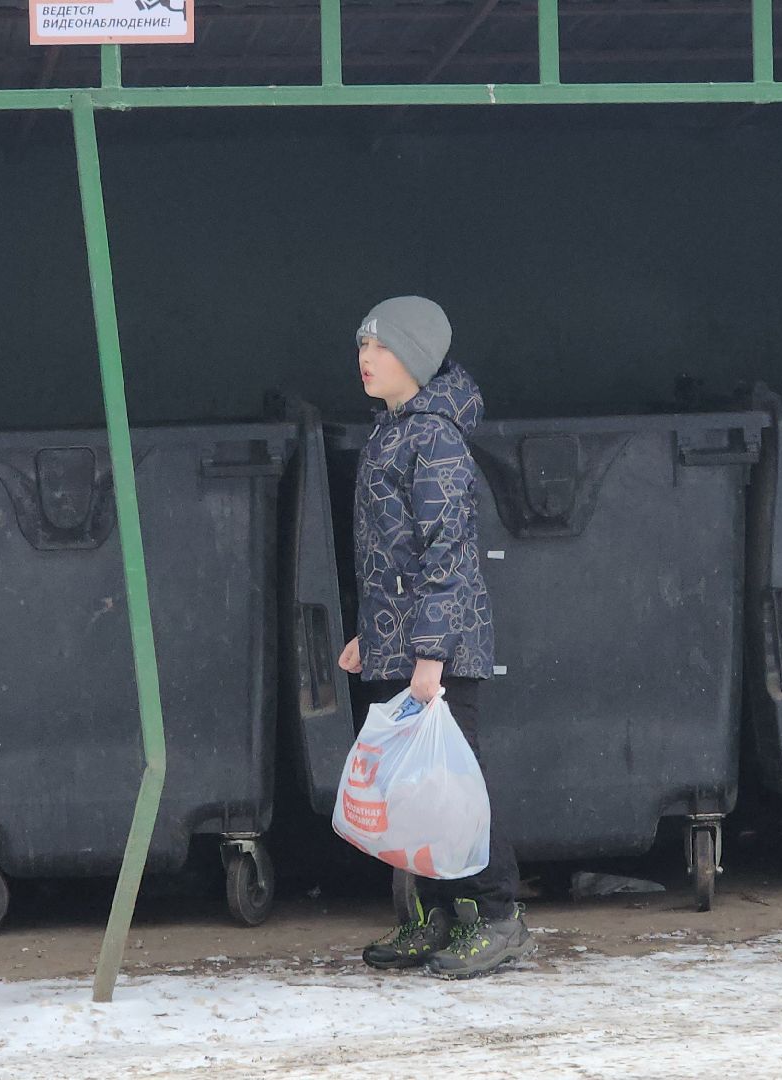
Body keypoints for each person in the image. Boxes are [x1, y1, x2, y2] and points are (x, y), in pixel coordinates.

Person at [336, 295, 530, 980]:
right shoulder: (393, 429)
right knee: (410, 790)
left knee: (454, 787)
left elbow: (447, 553)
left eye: (381, 347)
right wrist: (373, 637)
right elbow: (392, 554)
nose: (366, 358)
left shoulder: (435, 438)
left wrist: (429, 656)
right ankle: (434, 916)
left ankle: (497, 918)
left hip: (439, 650)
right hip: (404, 642)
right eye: (362, 345)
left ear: (414, 358)